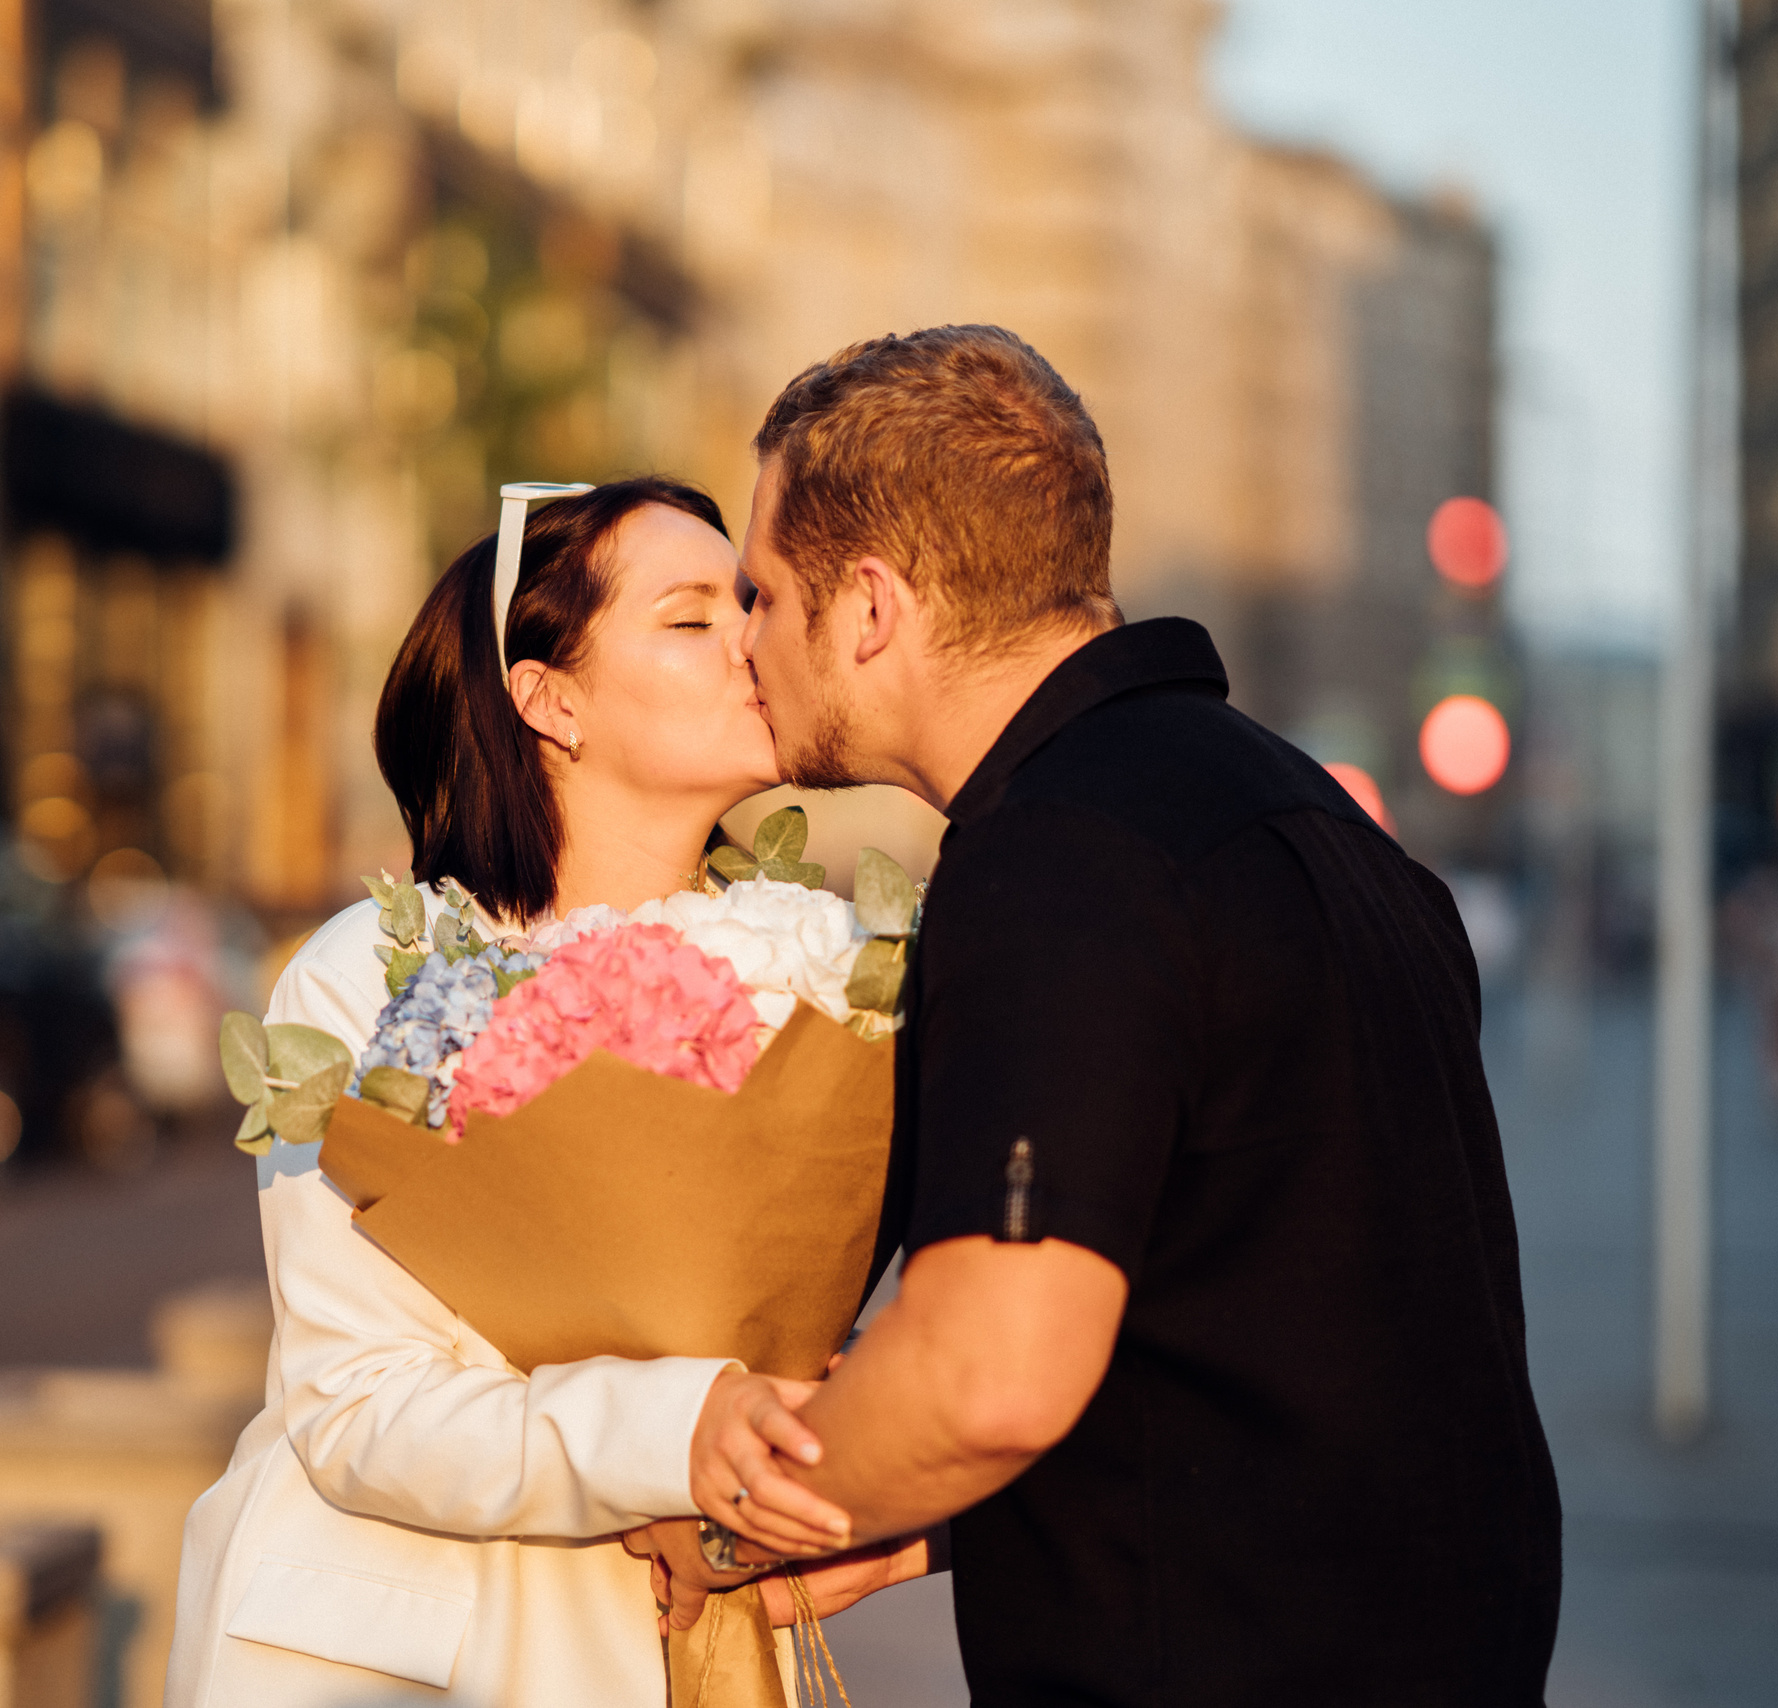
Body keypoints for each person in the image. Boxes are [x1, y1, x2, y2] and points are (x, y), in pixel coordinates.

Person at [637, 326, 1562, 1704]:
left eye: (765, 595)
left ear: (872, 609)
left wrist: (723, 1518)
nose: (749, 642)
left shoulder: (1060, 855)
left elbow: (988, 1372)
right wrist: (939, 1513)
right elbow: (1278, 1325)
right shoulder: (1331, 834)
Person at [165, 477, 885, 1707]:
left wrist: (822, 1445)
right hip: (404, 1653)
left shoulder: (819, 967)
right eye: (690, 616)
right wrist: (683, 1428)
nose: (752, 641)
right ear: (550, 700)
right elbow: (359, 1409)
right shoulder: (372, 981)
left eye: (750, 603)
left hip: (695, 1638)